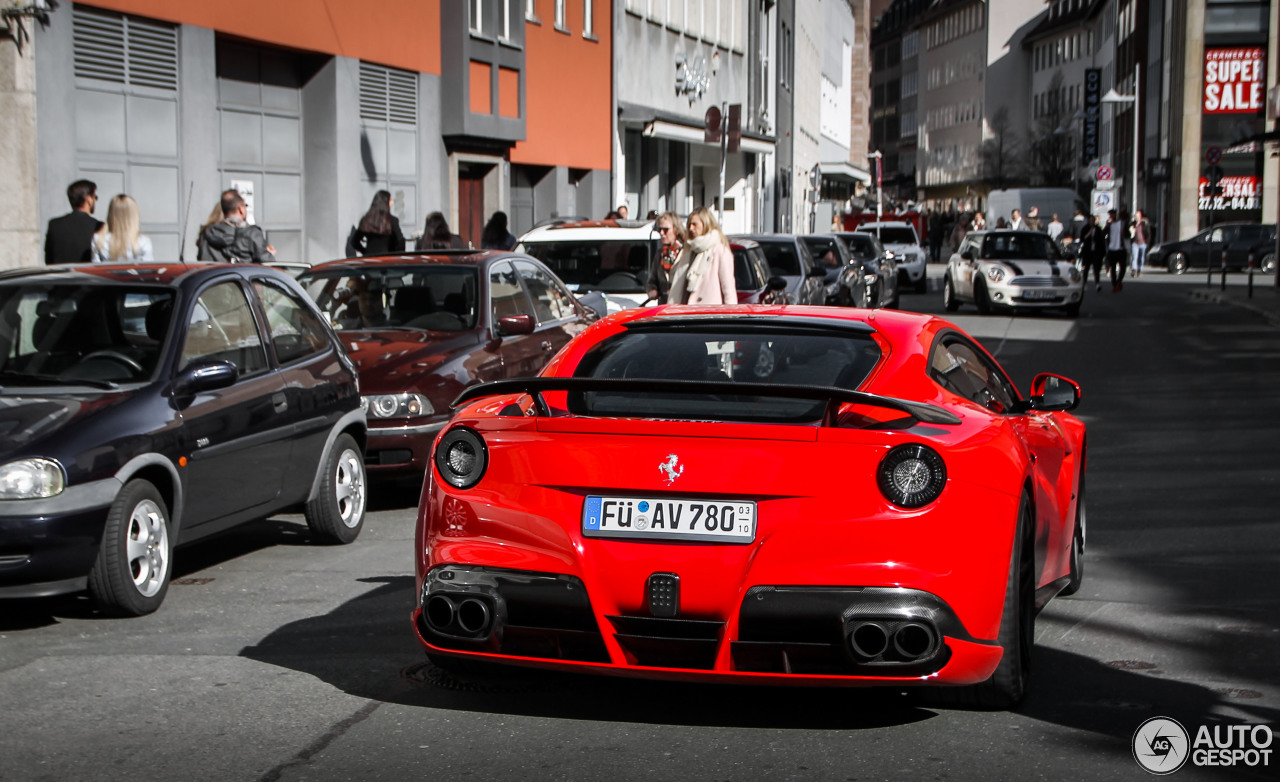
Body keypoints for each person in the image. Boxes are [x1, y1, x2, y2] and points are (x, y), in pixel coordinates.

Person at [667, 206, 735, 305]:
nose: (691, 228)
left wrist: (731, 316)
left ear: (706, 224)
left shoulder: (720, 250)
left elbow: (729, 289)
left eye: (694, 224)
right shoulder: (688, 249)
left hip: (710, 314)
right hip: (686, 312)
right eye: (689, 224)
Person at [198, 189, 274, 263]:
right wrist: (268, 254)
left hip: (214, 275)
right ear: (241, 209)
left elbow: (202, 262)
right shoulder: (252, 234)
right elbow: (269, 266)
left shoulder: (207, 234)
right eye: (245, 206)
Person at [45, 179, 102, 264]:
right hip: (88, 276)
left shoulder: (54, 225)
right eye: (95, 197)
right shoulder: (98, 226)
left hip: (61, 276)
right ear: (89, 199)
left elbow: (48, 259)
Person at [91, 194, 154, 262]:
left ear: (111, 213)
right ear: (134, 215)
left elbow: (95, 267)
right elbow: (149, 269)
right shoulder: (143, 241)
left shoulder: (98, 240)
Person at [346, 190, 405, 256]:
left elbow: (354, 241)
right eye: (390, 200)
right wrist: (396, 255)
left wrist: (364, 251)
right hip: (387, 260)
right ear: (385, 202)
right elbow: (401, 241)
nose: (392, 202)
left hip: (370, 259)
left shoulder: (366, 220)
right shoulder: (392, 220)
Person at [647, 211, 686, 303]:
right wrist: (652, 290)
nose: (661, 233)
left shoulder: (686, 252)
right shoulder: (660, 253)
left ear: (676, 229)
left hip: (683, 306)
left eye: (665, 230)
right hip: (664, 306)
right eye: (659, 229)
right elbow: (652, 279)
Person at [1078, 214, 1107, 291]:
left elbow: (1101, 241)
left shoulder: (1098, 229)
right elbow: (1082, 239)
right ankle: (1084, 283)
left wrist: (1103, 252)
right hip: (1087, 251)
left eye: (1093, 221)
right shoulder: (1085, 229)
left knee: (1096, 268)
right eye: (1090, 220)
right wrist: (1088, 234)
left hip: (1096, 252)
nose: (1091, 222)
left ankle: (1097, 283)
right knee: (1086, 268)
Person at [1105, 209, 1129, 291]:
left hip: (1121, 248)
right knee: (1113, 268)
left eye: (1112, 215)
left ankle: (1119, 281)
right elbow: (1103, 234)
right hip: (1112, 249)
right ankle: (1114, 284)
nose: (1111, 217)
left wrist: (1124, 233)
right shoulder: (1109, 225)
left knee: (1123, 267)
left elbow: (1128, 234)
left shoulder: (1122, 224)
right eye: (1110, 215)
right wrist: (1106, 226)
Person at [1129, 209, 1151, 277]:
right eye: (1135, 216)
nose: (1136, 217)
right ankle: (1134, 270)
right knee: (1134, 256)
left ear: (1140, 216)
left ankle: (1139, 270)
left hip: (1143, 243)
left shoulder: (1144, 224)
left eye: (1137, 216)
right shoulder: (1132, 224)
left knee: (1141, 258)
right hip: (1135, 243)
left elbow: (1148, 233)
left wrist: (1147, 242)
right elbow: (1129, 231)